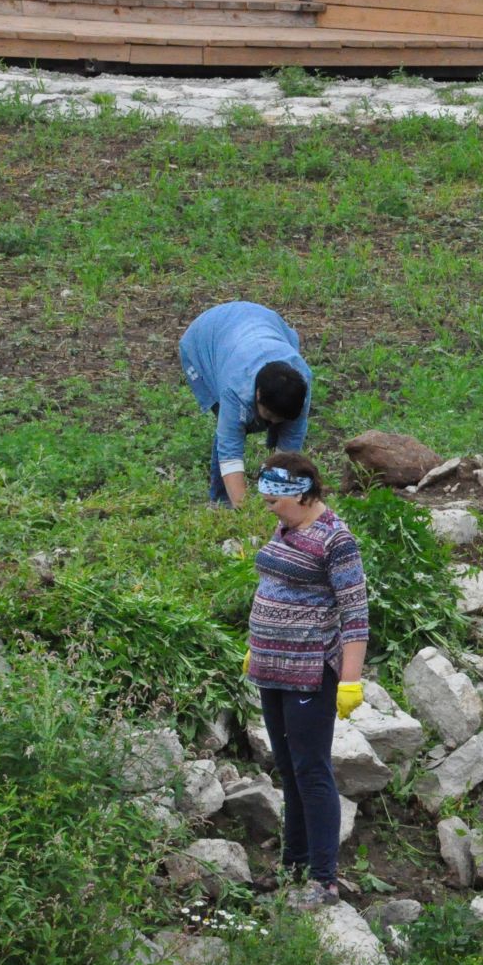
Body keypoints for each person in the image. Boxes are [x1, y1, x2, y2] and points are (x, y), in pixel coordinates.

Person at [246, 451, 368, 907]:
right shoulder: (288, 527)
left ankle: (324, 880)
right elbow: (274, 587)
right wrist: (255, 645)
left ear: (299, 493)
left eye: (273, 499)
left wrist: (348, 681)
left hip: (308, 672)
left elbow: (355, 614)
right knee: (288, 770)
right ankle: (292, 866)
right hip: (271, 669)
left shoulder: (336, 540)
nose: (268, 507)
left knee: (312, 770)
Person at [178, 301, 312, 508]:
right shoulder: (235, 389)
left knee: (280, 433)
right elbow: (230, 451)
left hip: (262, 321)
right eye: (270, 416)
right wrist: (247, 513)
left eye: (281, 419)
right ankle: (222, 502)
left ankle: (264, 485)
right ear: (257, 394)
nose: (274, 423)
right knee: (229, 426)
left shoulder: (302, 380)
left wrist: (279, 497)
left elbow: (290, 449)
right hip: (205, 336)